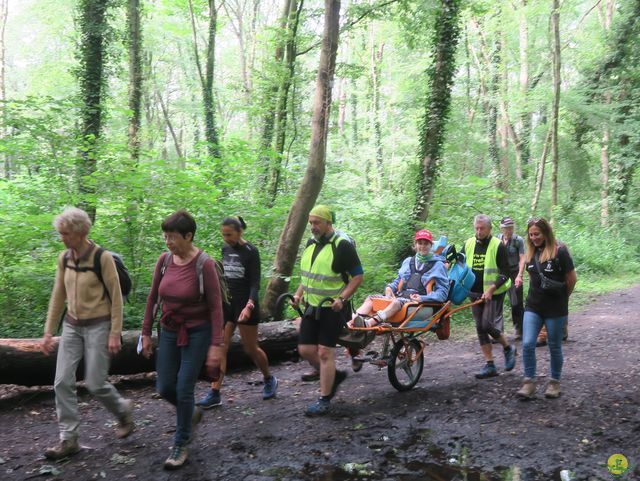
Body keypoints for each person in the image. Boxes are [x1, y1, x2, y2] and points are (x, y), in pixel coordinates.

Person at [41, 207, 134, 460]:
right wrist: (49, 331)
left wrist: (115, 332)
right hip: (71, 326)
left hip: (99, 326)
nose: (62, 237)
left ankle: (122, 410)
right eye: (60, 233)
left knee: (94, 383)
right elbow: (58, 295)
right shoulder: (64, 258)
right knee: (61, 382)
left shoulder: (101, 258)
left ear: (81, 232)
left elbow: (116, 297)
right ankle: (69, 439)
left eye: (66, 233)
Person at [141, 210, 224, 469]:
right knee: (165, 387)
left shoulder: (204, 264)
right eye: (165, 237)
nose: (168, 242)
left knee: (184, 387)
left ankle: (180, 443)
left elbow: (216, 306)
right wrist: (145, 333)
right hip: (168, 330)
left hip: (198, 332)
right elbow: (153, 297)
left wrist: (216, 345)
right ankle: (192, 413)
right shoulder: (164, 261)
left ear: (189, 236)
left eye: (173, 237)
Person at [196, 216, 277, 408]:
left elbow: (255, 283)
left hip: (246, 304)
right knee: (220, 347)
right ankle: (215, 392)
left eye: (229, 234)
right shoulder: (225, 250)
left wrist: (249, 305)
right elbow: (225, 279)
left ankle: (269, 379)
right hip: (228, 304)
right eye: (223, 235)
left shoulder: (251, 251)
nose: (226, 238)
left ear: (240, 232)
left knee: (250, 348)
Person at [291, 205, 364, 416]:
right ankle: (334, 376)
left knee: (325, 352)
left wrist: (342, 298)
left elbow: (358, 276)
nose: (312, 227)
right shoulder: (310, 244)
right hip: (311, 307)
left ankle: (324, 398)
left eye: (317, 223)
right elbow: (309, 276)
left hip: (333, 308)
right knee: (305, 350)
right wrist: (298, 294)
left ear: (328, 223)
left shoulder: (342, 246)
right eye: (311, 223)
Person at [515, 217, 577, 399]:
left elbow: (571, 279)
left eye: (537, 234)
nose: (534, 237)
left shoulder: (560, 251)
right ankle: (529, 383)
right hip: (533, 306)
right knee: (527, 344)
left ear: (546, 233)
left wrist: (564, 298)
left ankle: (554, 383)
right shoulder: (530, 251)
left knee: (554, 346)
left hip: (555, 308)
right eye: (531, 234)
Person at [348, 229, 450, 328]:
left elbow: (443, 294)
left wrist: (422, 298)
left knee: (397, 302)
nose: (422, 246)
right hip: (401, 298)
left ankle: (369, 323)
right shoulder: (408, 261)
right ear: (415, 245)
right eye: (420, 243)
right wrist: (389, 288)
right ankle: (352, 322)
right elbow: (398, 281)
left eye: (426, 243)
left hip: (420, 304)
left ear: (431, 245)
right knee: (372, 299)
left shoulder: (438, 266)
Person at [461, 214, 517, 379]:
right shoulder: (468, 243)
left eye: (482, 228)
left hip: (494, 292)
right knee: (480, 327)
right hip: (474, 292)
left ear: (490, 229)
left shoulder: (497, 245)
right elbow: (460, 265)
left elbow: (506, 273)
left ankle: (508, 348)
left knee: (486, 324)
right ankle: (490, 364)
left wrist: (492, 289)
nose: (479, 231)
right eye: (476, 228)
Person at [497, 216, 525, 339]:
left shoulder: (518, 240)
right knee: (497, 302)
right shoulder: (496, 239)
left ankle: (519, 329)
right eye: (506, 228)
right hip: (500, 274)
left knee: (516, 302)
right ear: (501, 228)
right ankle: (498, 332)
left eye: (511, 227)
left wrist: (520, 275)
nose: (509, 230)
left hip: (514, 273)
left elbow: (522, 258)